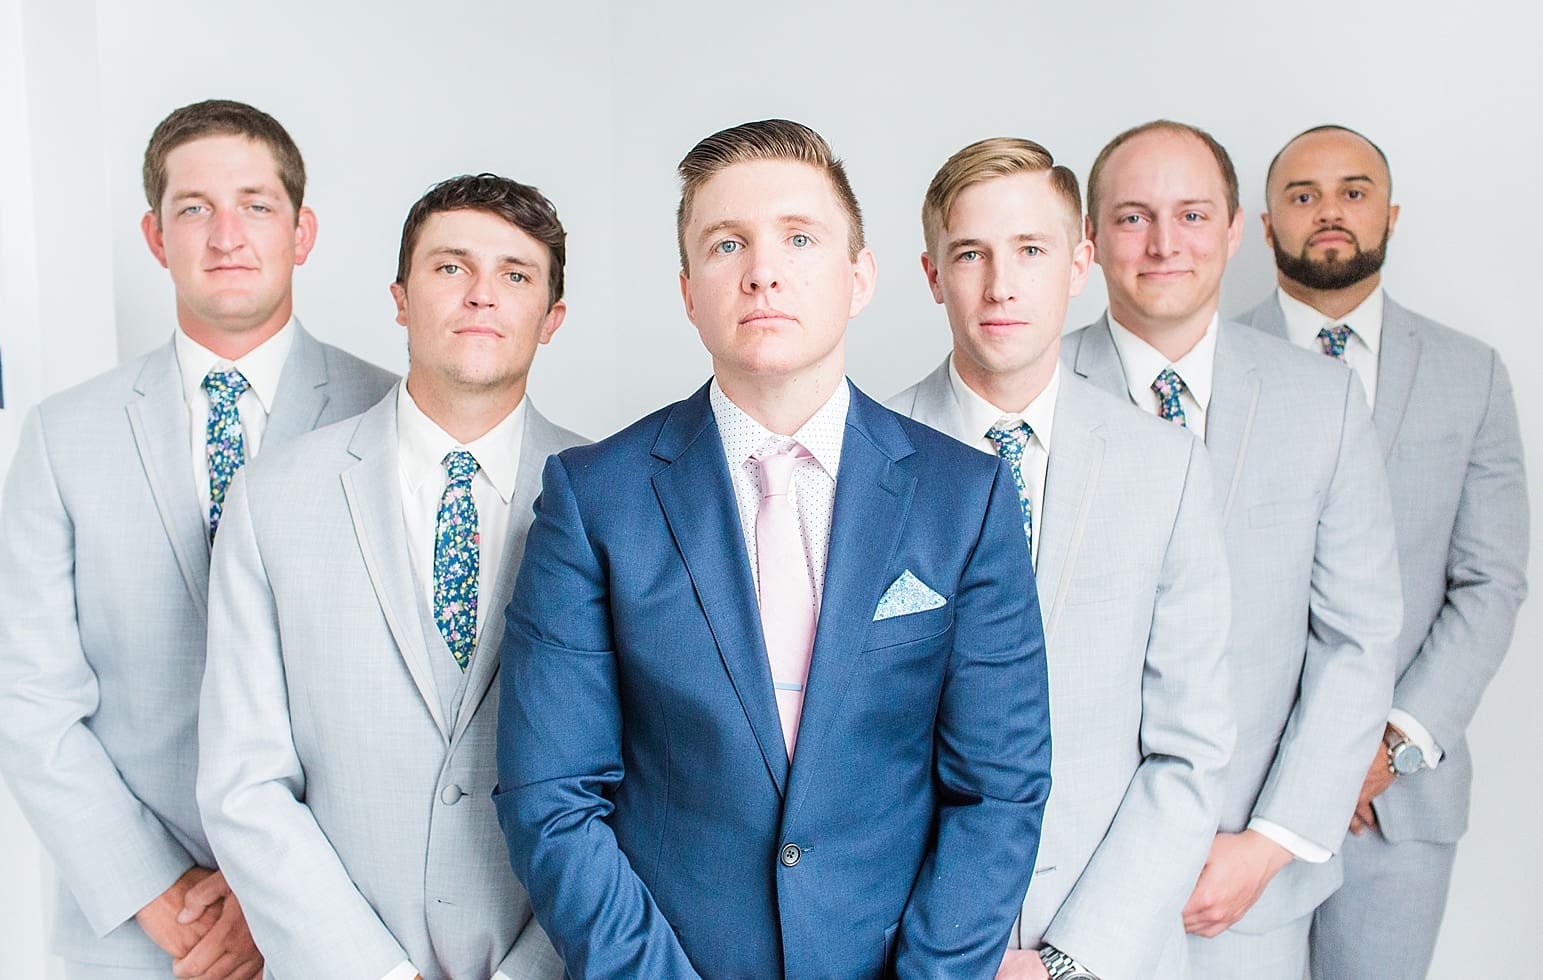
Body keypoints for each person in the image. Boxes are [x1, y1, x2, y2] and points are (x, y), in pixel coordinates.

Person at [495, 119, 1052, 978]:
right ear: (689, 292)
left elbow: (1000, 786)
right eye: (727, 244)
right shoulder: (593, 498)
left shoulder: (965, 498)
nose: (763, 270)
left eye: (798, 237)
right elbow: (551, 798)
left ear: (859, 276)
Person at [0, 98, 394, 979]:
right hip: (141, 937)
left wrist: (278, 894)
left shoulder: (389, 416)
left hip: (346, 925)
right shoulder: (61, 436)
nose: (226, 236)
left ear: (301, 232)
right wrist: (158, 895)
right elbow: (28, 696)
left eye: (255, 204)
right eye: (193, 208)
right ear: (155, 236)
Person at [195, 174, 580, 980]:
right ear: (400, 298)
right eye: (450, 266)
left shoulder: (616, 499)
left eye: (515, 274)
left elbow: (646, 783)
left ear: (552, 318)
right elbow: (245, 782)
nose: (481, 294)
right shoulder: (271, 499)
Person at [1063, 119, 1403, 978]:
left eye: (1191, 214)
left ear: (1234, 229)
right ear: (1090, 239)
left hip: (1245, 885)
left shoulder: (1323, 401)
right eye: (1133, 217)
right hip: (1062, 882)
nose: (1163, 243)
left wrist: (1268, 843)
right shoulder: (1031, 393)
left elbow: (1358, 638)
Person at [889, 136, 1234, 980]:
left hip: (1110, 952)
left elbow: (1189, 749)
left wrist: (1071, 961)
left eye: (1030, 251)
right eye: (970, 254)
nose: (1000, 285)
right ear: (931, 274)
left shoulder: (1165, 467)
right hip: (910, 950)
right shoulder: (860, 463)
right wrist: (950, 952)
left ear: (1079, 263)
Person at [1241, 124, 1529, 979]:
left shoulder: (1471, 373)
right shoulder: (1206, 365)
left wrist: (1384, 750)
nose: (1328, 210)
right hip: (1237, 792)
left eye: (1353, 191)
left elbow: (1490, 581)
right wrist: (1295, 766)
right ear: (1266, 224)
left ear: (1390, 214)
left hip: (1398, 802)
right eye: (1302, 195)